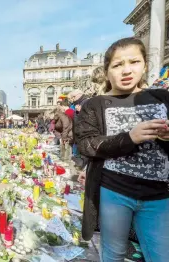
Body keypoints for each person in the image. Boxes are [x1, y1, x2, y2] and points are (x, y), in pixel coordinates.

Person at [75, 37, 169, 261]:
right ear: (107, 71)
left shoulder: (163, 98)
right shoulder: (95, 104)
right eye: (117, 65)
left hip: (159, 195)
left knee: (161, 254)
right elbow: (87, 144)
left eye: (134, 62)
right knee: (113, 252)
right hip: (114, 192)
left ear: (145, 65)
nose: (126, 70)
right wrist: (129, 138)